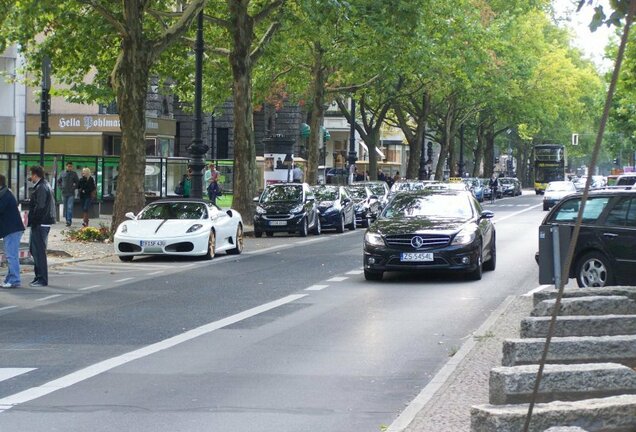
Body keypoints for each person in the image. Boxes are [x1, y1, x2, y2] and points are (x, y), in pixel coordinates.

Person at [27, 165, 56, 287]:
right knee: (35, 250)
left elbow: (40, 206)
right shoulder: (43, 185)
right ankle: (38, 276)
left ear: (35, 175)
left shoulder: (41, 187)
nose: (30, 177)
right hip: (42, 222)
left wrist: (33, 220)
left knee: (38, 251)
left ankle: (42, 279)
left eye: (31, 174)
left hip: (40, 222)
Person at [0, 174, 25, 288]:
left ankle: (15, 280)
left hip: (12, 230)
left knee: (11, 256)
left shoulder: (5, 195)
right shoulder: (5, 193)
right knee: (10, 255)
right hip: (11, 229)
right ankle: (10, 278)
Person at [58, 162, 79, 227]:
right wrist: (61, 188)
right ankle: (67, 220)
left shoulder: (74, 173)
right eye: (69, 166)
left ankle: (69, 220)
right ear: (66, 166)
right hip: (64, 193)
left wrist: (74, 188)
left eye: (71, 166)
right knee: (66, 207)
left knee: (70, 207)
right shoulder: (62, 173)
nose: (70, 167)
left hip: (71, 193)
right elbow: (58, 181)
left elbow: (77, 182)